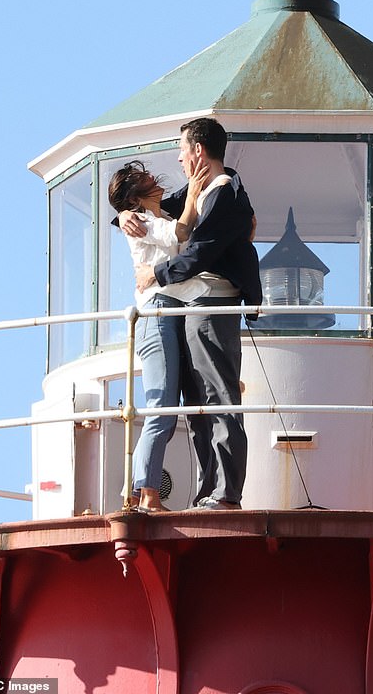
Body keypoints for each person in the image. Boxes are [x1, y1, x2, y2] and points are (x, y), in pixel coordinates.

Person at [120, 117, 262, 510]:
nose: (179, 159)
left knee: (217, 398)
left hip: (212, 302)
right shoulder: (197, 191)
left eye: (182, 150)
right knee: (198, 404)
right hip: (189, 304)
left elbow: (202, 250)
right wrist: (124, 216)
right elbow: (157, 211)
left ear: (198, 150)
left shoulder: (224, 193)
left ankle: (224, 494)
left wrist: (156, 272)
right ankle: (207, 493)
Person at [108, 158, 209, 513]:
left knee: (164, 408)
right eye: (144, 177)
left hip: (170, 313)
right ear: (136, 195)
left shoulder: (156, 215)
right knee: (161, 410)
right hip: (157, 315)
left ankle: (138, 491)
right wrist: (195, 191)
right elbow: (181, 234)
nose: (154, 175)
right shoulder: (143, 222)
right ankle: (147, 494)